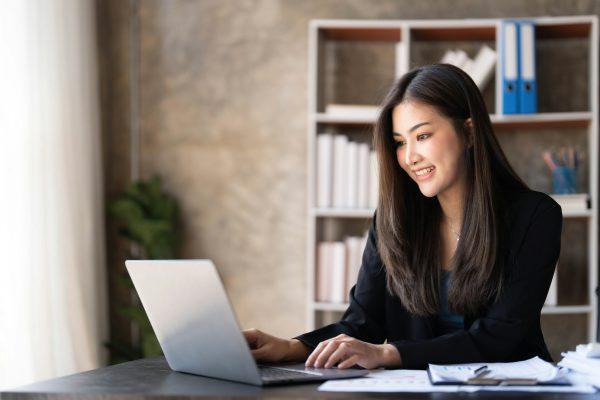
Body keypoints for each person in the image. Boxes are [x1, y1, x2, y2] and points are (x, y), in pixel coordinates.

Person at [243, 63, 563, 370]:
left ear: (469, 132)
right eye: (399, 143)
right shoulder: (393, 222)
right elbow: (362, 323)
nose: (410, 157)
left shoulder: (535, 217)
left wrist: (388, 353)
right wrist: (290, 348)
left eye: (422, 136)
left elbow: (499, 337)